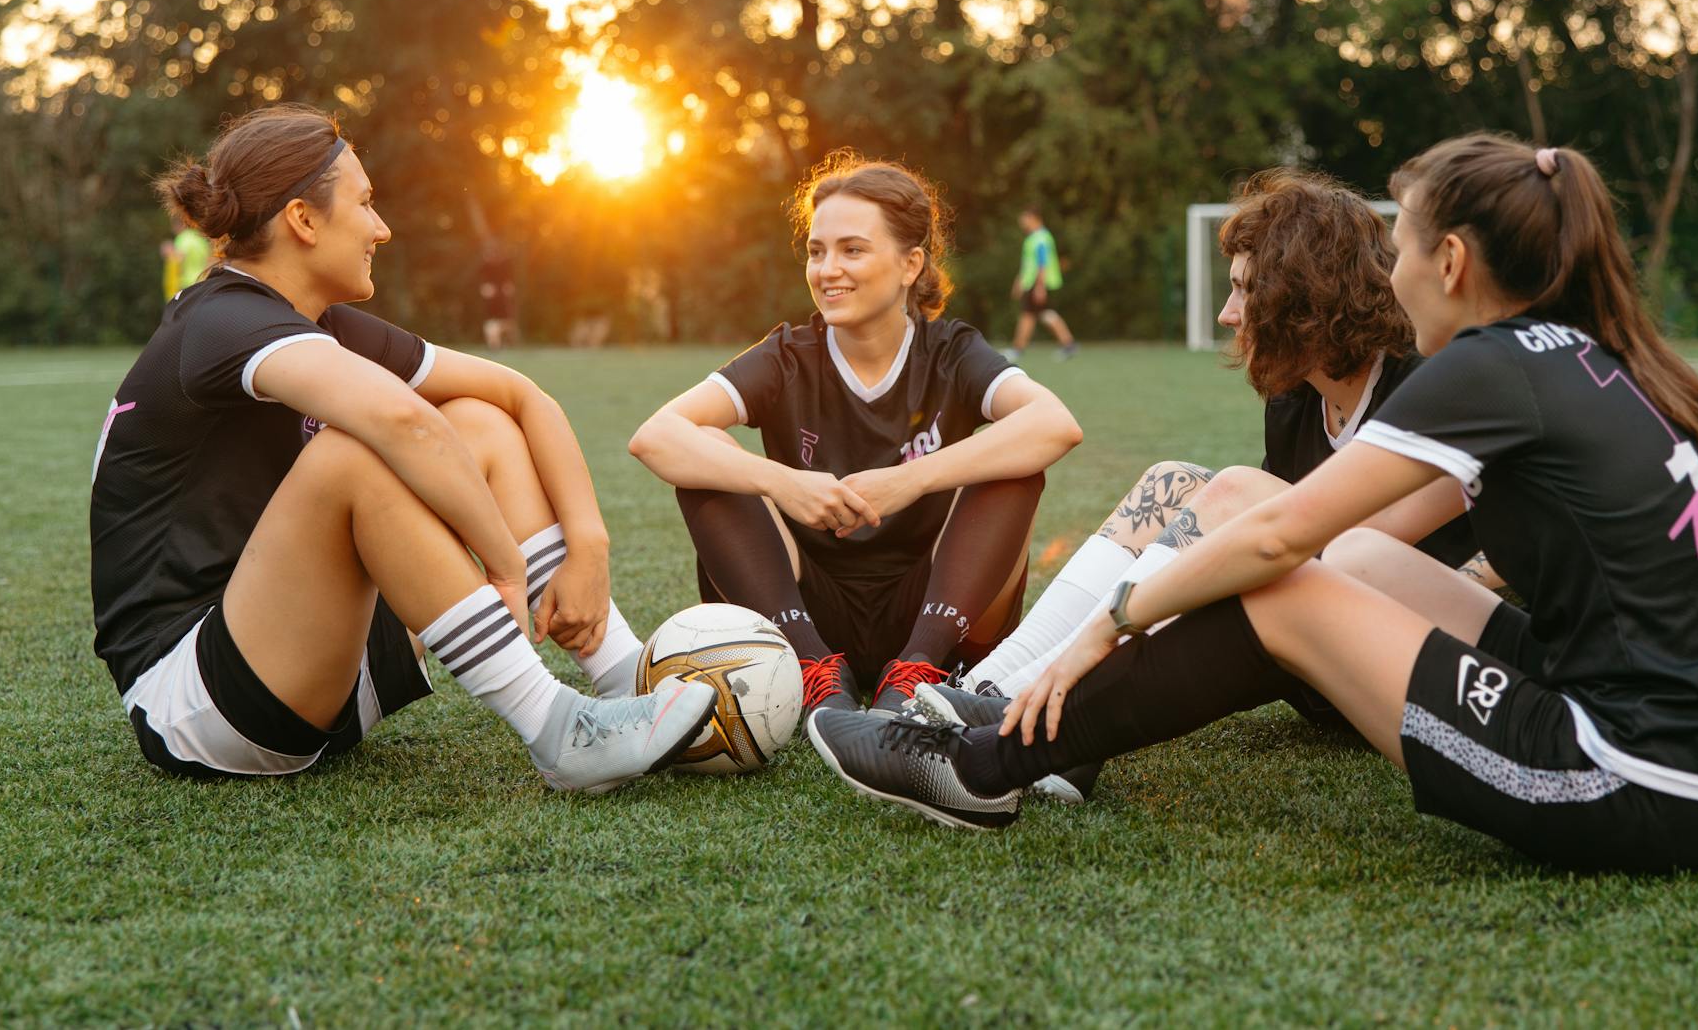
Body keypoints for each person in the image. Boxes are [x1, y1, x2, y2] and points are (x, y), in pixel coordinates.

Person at [811, 135, 1698, 878]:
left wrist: (1106, 626)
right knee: (1328, 568)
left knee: (1279, 580)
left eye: (1396, 244)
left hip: (1643, 780)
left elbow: (1277, 532)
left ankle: (986, 766)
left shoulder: (1487, 367)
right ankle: (1012, 720)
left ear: (1448, 263)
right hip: (1672, 738)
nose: (1386, 273)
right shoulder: (1581, 352)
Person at [90, 103, 717, 790]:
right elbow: (402, 423)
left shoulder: (319, 324)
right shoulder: (219, 320)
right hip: (199, 704)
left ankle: (627, 674)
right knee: (354, 452)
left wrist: (590, 546)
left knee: (476, 417)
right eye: (364, 203)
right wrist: (506, 570)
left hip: (316, 667)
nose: (381, 228)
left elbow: (522, 396)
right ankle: (559, 731)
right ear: (303, 219)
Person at [917, 168, 1486, 803]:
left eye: (1246, 291)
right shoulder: (1296, 400)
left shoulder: (1425, 387)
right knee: (1173, 481)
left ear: (1306, 299)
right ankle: (992, 688)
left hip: (1383, 661)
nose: (1226, 313)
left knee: (1237, 493)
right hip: (1304, 650)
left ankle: (1043, 704)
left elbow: (1369, 550)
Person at [628, 152, 1084, 716]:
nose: (827, 269)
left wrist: (911, 480)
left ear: (910, 264)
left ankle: (918, 670)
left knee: (1015, 459)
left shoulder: (951, 352)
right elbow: (656, 436)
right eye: (817, 252)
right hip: (804, 610)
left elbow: (1055, 424)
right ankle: (815, 669)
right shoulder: (787, 356)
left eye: (853, 250)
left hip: (936, 609)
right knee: (705, 454)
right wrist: (785, 482)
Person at [1008, 208, 1076, 362]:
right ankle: (1069, 345)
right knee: (1043, 315)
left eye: (1025, 218)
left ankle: (1017, 349)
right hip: (1035, 283)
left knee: (1029, 315)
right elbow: (1028, 264)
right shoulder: (1034, 238)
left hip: (1039, 284)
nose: (1022, 222)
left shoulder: (1040, 238)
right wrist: (1019, 281)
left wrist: (1040, 287)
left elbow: (1042, 263)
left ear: (1034, 218)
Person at [160, 211, 214, 302]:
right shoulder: (199, 238)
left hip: (187, 285)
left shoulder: (182, 239)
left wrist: (169, 254)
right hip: (203, 281)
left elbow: (178, 261)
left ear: (177, 225)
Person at [477, 239, 520, 350]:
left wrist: (508, 287)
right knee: (492, 322)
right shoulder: (485, 265)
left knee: (506, 321)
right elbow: (483, 282)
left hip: (502, 297)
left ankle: (509, 342)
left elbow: (509, 282)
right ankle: (494, 345)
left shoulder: (505, 263)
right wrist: (485, 287)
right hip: (492, 298)